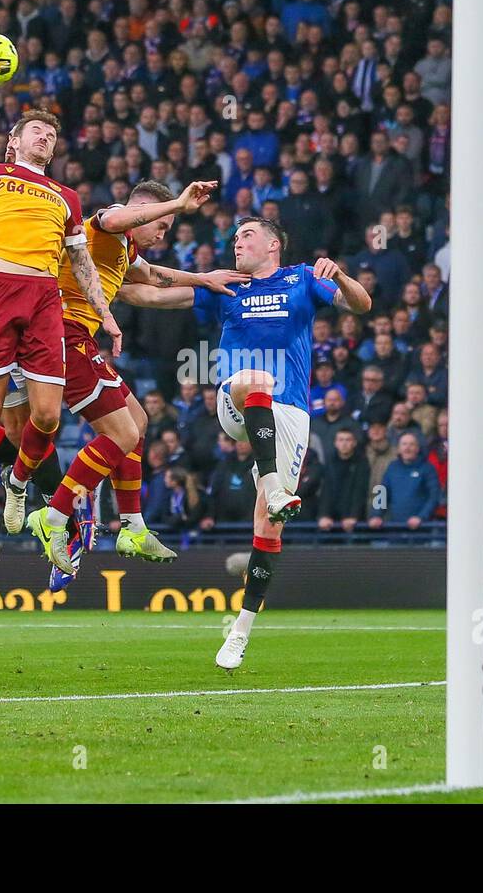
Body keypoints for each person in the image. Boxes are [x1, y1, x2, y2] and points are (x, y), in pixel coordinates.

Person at [120, 216, 371, 670]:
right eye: (235, 237)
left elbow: (361, 305)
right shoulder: (224, 286)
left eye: (247, 236)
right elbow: (146, 294)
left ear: (273, 245)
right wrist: (100, 276)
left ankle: (239, 632)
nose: (237, 242)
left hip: (290, 413)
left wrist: (342, 276)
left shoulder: (301, 279)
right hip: (237, 399)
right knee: (255, 377)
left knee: (268, 530)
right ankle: (274, 485)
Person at [21, 178, 244, 580]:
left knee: (137, 422)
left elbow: (154, 279)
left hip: (76, 338)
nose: (161, 233)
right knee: (121, 435)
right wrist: (176, 204)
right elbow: (113, 217)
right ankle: (53, 515)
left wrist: (204, 280)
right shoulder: (103, 227)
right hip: (60, 334)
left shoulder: (124, 250)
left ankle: (132, 528)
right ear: (142, 209)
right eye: (160, 225)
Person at [0, 110, 117, 559]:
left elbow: (81, 261)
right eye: (37, 131)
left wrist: (104, 313)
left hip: (43, 297)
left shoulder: (66, 196)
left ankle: (17, 483)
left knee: (49, 416)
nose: (46, 137)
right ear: (13, 141)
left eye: (52, 134)